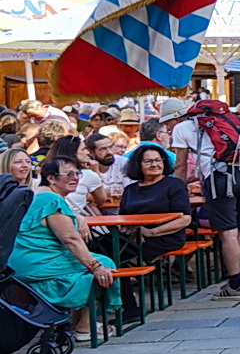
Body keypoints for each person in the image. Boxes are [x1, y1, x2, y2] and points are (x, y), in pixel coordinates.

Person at [10, 157, 118, 337]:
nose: (75, 178)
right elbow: (70, 239)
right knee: (103, 264)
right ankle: (85, 326)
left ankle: (74, 324)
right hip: (37, 263)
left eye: (77, 174)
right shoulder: (51, 199)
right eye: (69, 174)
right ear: (51, 178)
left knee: (89, 263)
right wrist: (95, 267)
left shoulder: (35, 194)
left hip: (20, 263)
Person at [169, 99, 240, 300]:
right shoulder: (232, 119)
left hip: (219, 177)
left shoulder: (182, 128)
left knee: (227, 233)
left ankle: (235, 286)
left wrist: (177, 192)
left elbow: (180, 166)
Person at [117, 143, 192, 262]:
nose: (154, 165)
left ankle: (130, 278)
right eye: (148, 161)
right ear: (139, 165)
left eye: (158, 160)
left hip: (165, 236)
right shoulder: (130, 189)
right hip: (135, 236)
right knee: (101, 246)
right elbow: (123, 220)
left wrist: (151, 232)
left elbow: (185, 219)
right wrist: (134, 231)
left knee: (120, 253)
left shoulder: (174, 185)